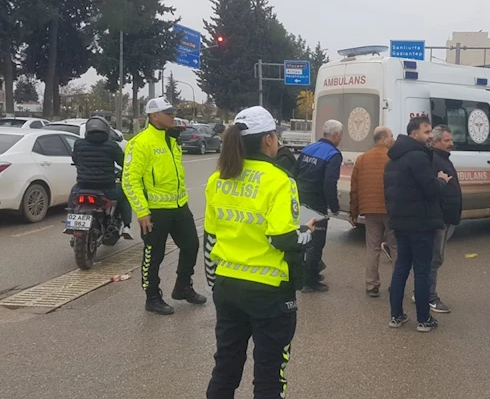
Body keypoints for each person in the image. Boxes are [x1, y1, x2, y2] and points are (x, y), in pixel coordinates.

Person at [204, 106, 315, 399]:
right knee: (269, 376)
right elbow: (282, 238)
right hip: (269, 292)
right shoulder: (279, 180)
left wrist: (214, 283)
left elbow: (211, 237)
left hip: (227, 286)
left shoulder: (218, 178)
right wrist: (307, 233)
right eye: (276, 136)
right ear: (268, 139)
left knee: (225, 367)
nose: (278, 141)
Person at [122, 97, 206, 315]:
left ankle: (182, 287)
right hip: (154, 211)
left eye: (173, 112)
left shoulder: (172, 138)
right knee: (154, 254)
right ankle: (152, 297)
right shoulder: (141, 142)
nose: (172, 116)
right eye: (168, 113)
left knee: (191, 246)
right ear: (153, 116)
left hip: (179, 206)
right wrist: (141, 211)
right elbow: (130, 180)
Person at [384, 116, 452, 332]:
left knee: (401, 269)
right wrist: (441, 180)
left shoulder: (393, 159)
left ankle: (396, 316)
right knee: (422, 271)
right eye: (426, 131)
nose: (431, 135)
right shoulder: (418, 157)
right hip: (421, 225)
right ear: (414, 134)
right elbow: (430, 189)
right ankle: (424, 319)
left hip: (400, 223)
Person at [293, 119, 343, 293]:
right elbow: (329, 183)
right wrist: (334, 206)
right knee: (316, 242)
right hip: (316, 204)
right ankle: (310, 281)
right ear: (335, 135)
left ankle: (305, 273)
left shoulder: (309, 148)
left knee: (303, 238)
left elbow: (295, 172)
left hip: (300, 200)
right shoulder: (333, 154)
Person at [350, 126, 398, 298]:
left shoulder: (362, 159)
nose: (393, 139)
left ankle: (371, 285)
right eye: (391, 136)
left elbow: (354, 188)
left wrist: (353, 212)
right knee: (395, 247)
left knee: (373, 248)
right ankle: (396, 284)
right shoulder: (394, 158)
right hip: (391, 210)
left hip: (370, 210)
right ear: (383, 139)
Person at [70, 116, 132, 238]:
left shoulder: (79, 144)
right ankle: (127, 226)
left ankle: (71, 218)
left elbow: (75, 159)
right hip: (107, 188)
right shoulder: (112, 145)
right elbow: (124, 162)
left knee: (73, 194)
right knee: (124, 195)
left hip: (83, 186)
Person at [428, 125, 462, 313]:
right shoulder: (433, 160)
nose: (451, 143)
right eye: (447, 140)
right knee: (434, 258)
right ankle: (429, 297)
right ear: (435, 141)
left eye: (451, 140)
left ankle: (422, 292)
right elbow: (433, 190)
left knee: (433, 258)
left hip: (446, 217)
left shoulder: (443, 158)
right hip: (439, 218)